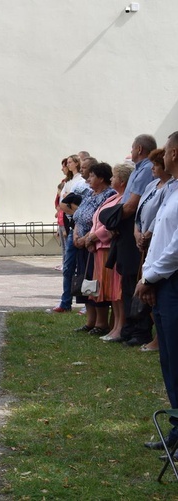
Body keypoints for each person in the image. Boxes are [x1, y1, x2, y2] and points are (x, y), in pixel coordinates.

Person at [137, 131, 178, 453]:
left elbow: (176, 248)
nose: (161, 157)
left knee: (176, 358)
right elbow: (160, 240)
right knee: (169, 359)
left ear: (175, 154)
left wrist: (150, 276)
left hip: (172, 282)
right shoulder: (172, 191)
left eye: (166, 151)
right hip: (162, 282)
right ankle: (177, 430)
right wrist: (150, 277)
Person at [82, 163, 132, 342]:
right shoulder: (114, 197)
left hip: (108, 246)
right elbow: (98, 218)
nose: (112, 179)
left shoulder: (124, 199)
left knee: (117, 290)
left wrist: (95, 236)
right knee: (109, 289)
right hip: (99, 248)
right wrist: (90, 237)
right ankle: (115, 326)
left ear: (123, 181)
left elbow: (111, 224)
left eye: (115, 177)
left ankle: (120, 327)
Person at [118, 134, 158, 347]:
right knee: (127, 280)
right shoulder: (140, 170)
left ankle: (139, 330)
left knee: (136, 279)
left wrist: (113, 220)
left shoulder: (144, 171)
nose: (131, 151)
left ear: (139, 149)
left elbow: (132, 205)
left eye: (132, 148)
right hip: (133, 231)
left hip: (138, 235)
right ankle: (129, 328)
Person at [71, 162, 116, 335]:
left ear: (101, 178)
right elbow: (79, 217)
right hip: (81, 243)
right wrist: (76, 235)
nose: (88, 179)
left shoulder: (108, 195)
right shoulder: (90, 194)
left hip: (94, 245)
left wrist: (86, 239)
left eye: (91, 176)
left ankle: (101, 322)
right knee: (84, 281)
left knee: (95, 283)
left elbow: (101, 221)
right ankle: (90, 321)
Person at [134, 148, 173, 352]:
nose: (153, 168)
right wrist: (138, 233)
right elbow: (143, 216)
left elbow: (173, 242)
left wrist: (149, 277)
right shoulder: (159, 187)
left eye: (156, 164)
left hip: (166, 264)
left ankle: (157, 338)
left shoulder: (172, 188)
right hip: (151, 257)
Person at [49, 156, 95, 314]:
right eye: (81, 167)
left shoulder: (90, 188)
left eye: (85, 167)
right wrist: (78, 215)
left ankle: (88, 303)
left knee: (87, 268)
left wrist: (78, 212)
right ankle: (65, 301)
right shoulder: (79, 185)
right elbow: (64, 202)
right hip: (75, 230)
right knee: (68, 267)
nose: (82, 169)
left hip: (90, 233)